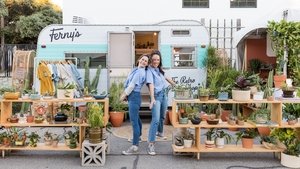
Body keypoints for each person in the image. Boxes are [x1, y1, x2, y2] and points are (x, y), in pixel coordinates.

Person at [146, 50, 175, 155]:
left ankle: (160, 132)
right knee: (156, 120)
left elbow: (166, 77)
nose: (156, 61)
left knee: (163, 116)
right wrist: (152, 98)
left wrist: (174, 84)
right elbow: (151, 85)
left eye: (157, 59)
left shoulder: (159, 69)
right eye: (154, 59)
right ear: (151, 60)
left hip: (164, 95)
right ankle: (151, 144)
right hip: (156, 96)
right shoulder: (149, 70)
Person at [120, 54, 149, 155]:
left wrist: (123, 95)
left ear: (147, 64)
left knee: (134, 121)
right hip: (134, 96)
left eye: (146, 61)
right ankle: (139, 136)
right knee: (136, 118)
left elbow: (132, 85)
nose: (143, 61)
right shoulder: (135, 69)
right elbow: (128, 82)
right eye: (142, 59)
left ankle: (135, 145)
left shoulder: (140, 72)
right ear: (139, 60)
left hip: (134, 96)